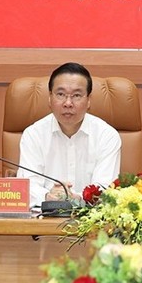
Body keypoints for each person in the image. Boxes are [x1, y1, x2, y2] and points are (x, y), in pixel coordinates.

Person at [18, 62, 121, 206]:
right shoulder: (33, 135)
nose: (68, 103)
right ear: (50, 98)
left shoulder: (107, 135)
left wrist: (73, 198)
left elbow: (105, 188)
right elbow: (26, 187)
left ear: (89, 100)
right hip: (43, 221)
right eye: (60, 94)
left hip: (91, 223)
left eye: (77, 95)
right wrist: (48, 196)